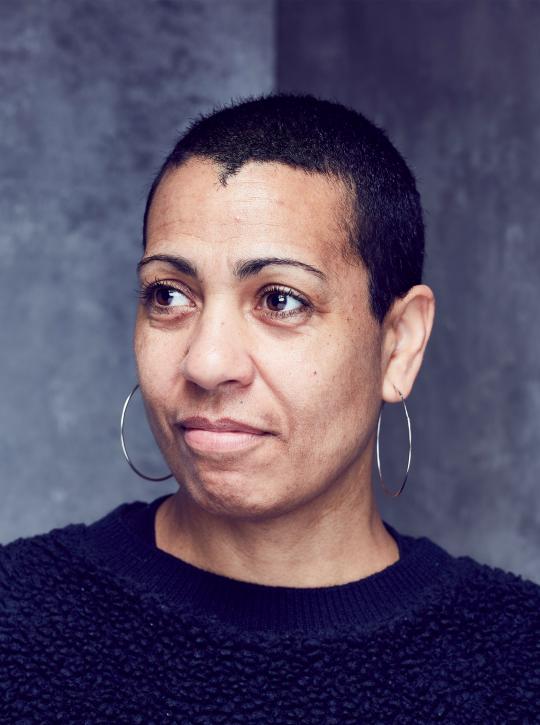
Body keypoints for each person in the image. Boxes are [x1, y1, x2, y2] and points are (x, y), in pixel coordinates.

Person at [1, 93, 538, 723]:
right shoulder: (19, 621)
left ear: (398, 344)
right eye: (169, 294)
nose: (205, 362)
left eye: (281, 300)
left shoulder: (517, 659)